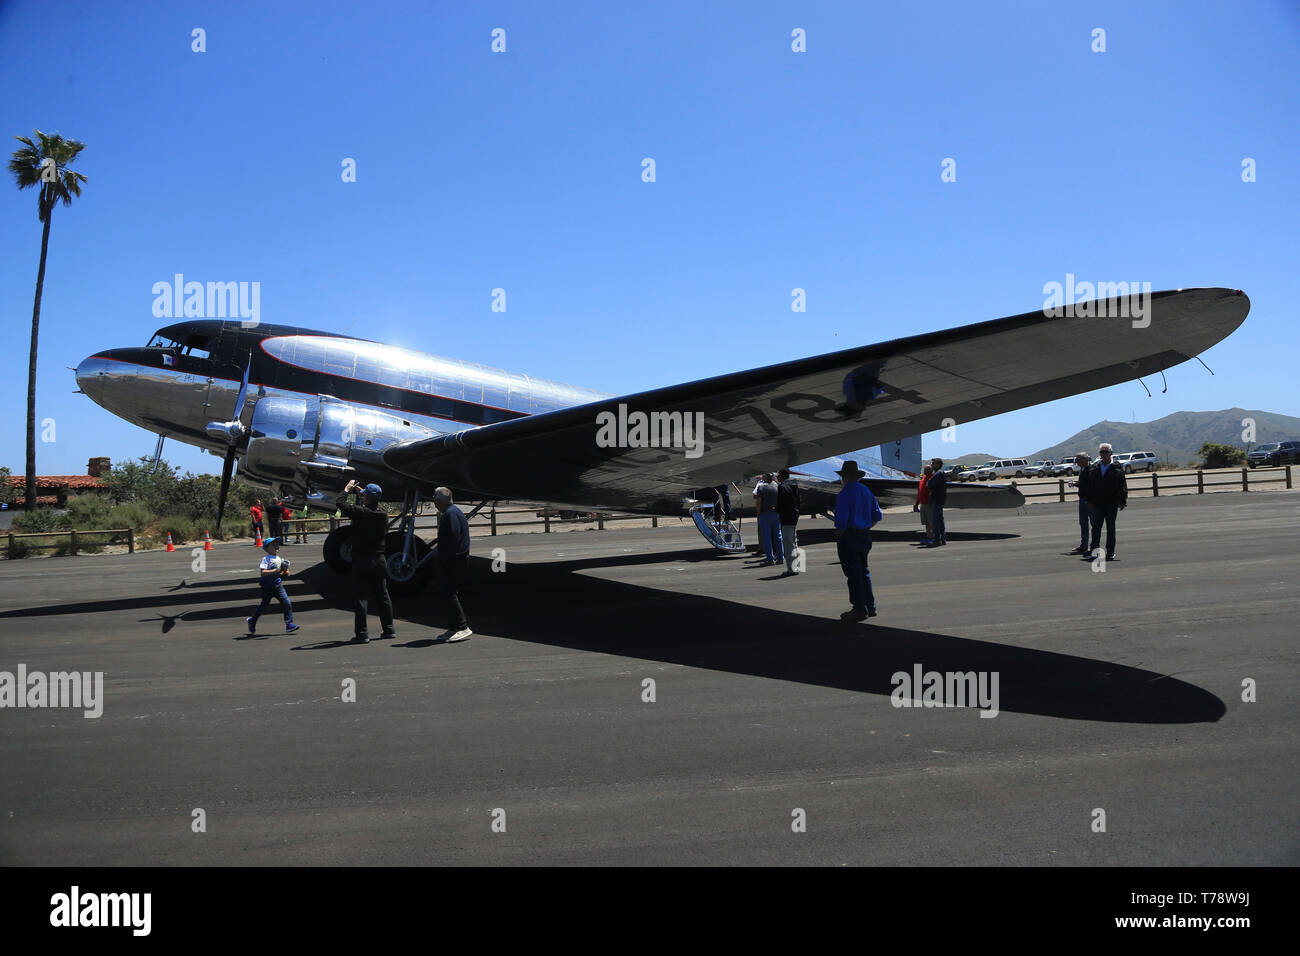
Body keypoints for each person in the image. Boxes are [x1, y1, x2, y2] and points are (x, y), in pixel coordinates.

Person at [339, 479, 396, 643]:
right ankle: (388, 629)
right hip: (378, 559)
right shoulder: (382, 513)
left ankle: (362, 634)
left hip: (361, 560)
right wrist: (362, 494)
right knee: (383, 595)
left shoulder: (361, 513)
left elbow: (340, 503)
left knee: (361, 597)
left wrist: (347, 489)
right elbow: (366, 506)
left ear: (368, 498)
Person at [834, 460, 883, 621]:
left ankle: (859, 608)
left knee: (853, 575)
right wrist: (866, 527)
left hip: (850, 536)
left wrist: (839, 537)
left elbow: (841, 522)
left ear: (844, 477)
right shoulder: (866, 491)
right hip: (864, 535)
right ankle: (870, 606)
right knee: (864, 572)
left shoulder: (845, 494)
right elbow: (877, 515)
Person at [433, 487, 472, 642]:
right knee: (448, 593)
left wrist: (444, 559)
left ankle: (463, 627)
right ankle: (453, 628)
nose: (434, 502)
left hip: (454, 561)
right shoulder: (452, 512)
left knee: (450, 593)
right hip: (454, 560)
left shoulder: (450, 514)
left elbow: (453, 539)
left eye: (435, 498)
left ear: (439, 500)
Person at [1082, 443, 1127, 560]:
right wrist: (1089, 500)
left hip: (1112, 503)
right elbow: (1090, 485)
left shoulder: (1116, 467)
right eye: (1102, 452)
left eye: (1106, 452)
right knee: (1096, 528)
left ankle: (1110, 552)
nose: (1103, 454)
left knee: (1111, 528)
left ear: (1111, 453)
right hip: (1098, 502)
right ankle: (1094, 551)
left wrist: (1122, 501)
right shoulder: (1096, 467)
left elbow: (1122, 485)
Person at [246, 537, 300, 634]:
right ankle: (252, 621)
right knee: (264, 607)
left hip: (278, 585)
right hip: (267, 586)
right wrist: (276, 570)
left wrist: (285, 572)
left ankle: (289, 624)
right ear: (267, 548)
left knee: (287, 603)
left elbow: (281, 573)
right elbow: (263, 572)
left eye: (277, 544)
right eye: (273, 545)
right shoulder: (266, 559)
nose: (276, 546)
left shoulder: (279, 559)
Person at [753, 472, 783, 566]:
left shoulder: (761, 487)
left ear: (765, 478)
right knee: (778, 536)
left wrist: (758, 513)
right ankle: (780, 557)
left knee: (767, 537)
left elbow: (758, 502)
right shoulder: (777, 487)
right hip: (776, 514)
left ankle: (770, 559)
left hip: (765, 514)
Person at [776, 468, 802, 575]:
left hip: (786, 518)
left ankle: (792, 569)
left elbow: (782, 504)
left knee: (788, 543)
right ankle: (797, 566)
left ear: (782, 476)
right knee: (793, 543)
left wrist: (777, 510)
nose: (777, 477)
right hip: (794, 517)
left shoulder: (783, 487)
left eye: (778, 476)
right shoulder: (794, 486)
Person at [1066, 453, 1092, 554]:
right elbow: (1083, 484)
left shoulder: (1090, 470)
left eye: (1078, 460)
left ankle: (1092, 546)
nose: (1077, 462)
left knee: (1093, 523)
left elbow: (1087, 484)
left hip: (1088, 499)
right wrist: (1076, 484)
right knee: (1083, 522)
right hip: (1082, 499)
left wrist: (1076, 484)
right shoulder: (1082, 470)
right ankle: (1083, 545)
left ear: (1085, 460)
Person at [924, 458, 948, 547]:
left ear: (938, 464)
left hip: (937, 500)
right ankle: (943, 539)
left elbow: (929, 485)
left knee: (935, 521)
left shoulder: (938, 474)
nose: (932, 465)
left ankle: (937, 540)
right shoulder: (940, 473)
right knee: (940, 520)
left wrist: (929, 482)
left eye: (933, 463)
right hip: (940, 499)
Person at [914, 464, 934, 543]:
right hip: (923, 504)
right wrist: (916, 503)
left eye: (928, 469)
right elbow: (919, 492)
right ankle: (929, 537)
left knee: (931, 522)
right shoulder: (922, 480)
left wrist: (931, 499)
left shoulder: (933, 479)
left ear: (931, 470)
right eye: (925, 469)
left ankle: (934, 537)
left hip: (930, 504)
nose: (926, 471)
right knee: (926, 522)